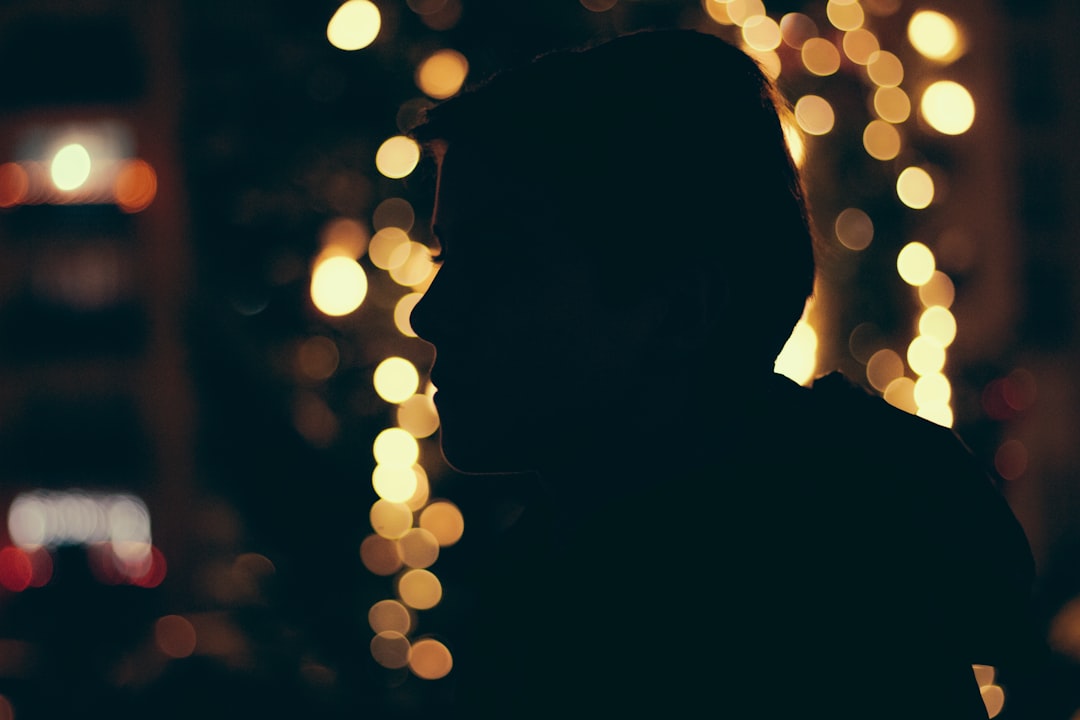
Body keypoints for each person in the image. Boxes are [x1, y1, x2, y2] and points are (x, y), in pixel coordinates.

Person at [408, 29, 1037, 719]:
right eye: (445, 260)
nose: (431, 315)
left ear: (681, 311)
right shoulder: (562, 575)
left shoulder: (777, 620)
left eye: (498, 265)